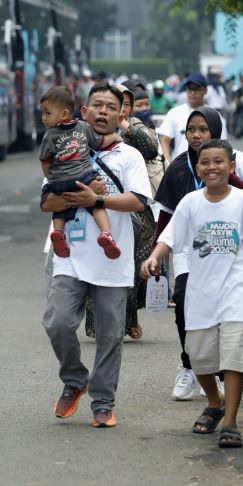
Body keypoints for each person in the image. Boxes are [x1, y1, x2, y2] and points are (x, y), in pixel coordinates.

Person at [142, 139, 243, 448]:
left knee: (234, 356)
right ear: (198, 168)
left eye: (219, 161)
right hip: (201, 292)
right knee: (199, 357)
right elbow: (169, 237)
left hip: (236, 290)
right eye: (205, 162)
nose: (212, 167)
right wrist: (155, 257)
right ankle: (215, 401)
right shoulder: (191, 203)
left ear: (231, 166)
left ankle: (231, 422)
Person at [41, 83, 152, 427]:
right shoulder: (64, 147)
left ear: (122, 114)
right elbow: (46, 201)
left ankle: (103, 402)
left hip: (113, 259)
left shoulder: (128, 155)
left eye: (110, 107)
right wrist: (76, 200)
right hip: (70, 254)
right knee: (57, 322)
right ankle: (75, 380)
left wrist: (97, 201)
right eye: (96, 105)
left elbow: (138, 200)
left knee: (109, 335)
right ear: (83, 112)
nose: (102, 112)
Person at [153, 106, 243, 400]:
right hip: (189, 254)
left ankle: (217, 374)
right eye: (191, 130)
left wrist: (231, 174)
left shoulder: (236, 161)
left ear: (215, 130)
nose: (196, 135)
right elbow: (166, 215)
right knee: (183, 306)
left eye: (203, 129)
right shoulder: (178, 167)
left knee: (221, 312)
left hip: (227, 253)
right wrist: (156, 256)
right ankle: (189, 366)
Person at [83, 84, 158, 341]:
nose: (114, 110)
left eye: (123, 104)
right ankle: (95, 323)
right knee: (97, 267)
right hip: (92, 210)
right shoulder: (86, 133)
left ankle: (129, 319)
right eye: (104, 105)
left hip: (134, 209)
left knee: (133, 269)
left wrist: (124, 125)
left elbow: (151, 149)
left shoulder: (135, 127)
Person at [39, 85, 121, 259]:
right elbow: (100, 142)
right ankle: (106, 233)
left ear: (64, 114)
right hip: (84, 177)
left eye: (47, 113)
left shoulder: (49, 135)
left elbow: (45, 160)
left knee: (59, 210)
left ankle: (58, 232)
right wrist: (117, 137)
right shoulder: (83, 127)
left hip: (60, 180)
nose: (43, 118)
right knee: (95, 203)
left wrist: (51, 177)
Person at [157, 73, 227, 163]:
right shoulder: (174, 113)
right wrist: (167, 165)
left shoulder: (214, 115)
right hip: (179, 167)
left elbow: (222, 143)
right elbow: (164, 139)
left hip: (206, 167)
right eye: (190, 89)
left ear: (205, 90)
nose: (193, 93)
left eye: (197, 89)